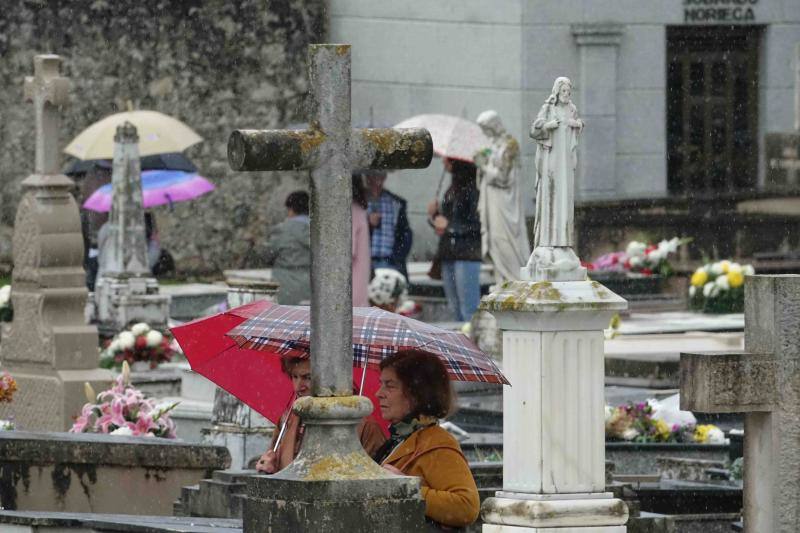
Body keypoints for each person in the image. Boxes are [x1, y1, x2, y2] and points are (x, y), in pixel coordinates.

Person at [374, 349, 480, 530]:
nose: (379, 393)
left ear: (417, 394)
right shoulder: (397, 440)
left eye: (390, 385)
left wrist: (406, 488)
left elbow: (466, 506)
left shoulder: (437, 443)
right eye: (381, 384)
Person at [255, 356, 387, 474]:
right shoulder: (287, 421)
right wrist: (270, 469)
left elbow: (373, 482)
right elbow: (281, 472)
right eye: (294, 377)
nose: (298, 387)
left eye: (308, 378)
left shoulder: (364, 426)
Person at [474, 110, 531, 286]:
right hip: (492, 200)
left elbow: (503, 178)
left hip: (505, 203)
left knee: (503, 239)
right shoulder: (492, 146)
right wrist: (481, 164)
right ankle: (502, 279)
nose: (485, 133)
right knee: (494, 240)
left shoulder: (509, 145)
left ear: (495, 126)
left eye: (487, 129)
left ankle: (513, 279)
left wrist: (483, 167)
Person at [427, 159, 482, 322]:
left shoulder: (473, 189)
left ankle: (471, 344)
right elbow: (447, 222)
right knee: (454, 308)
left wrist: (449, 225)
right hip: (448, 253)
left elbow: (477, 224)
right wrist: (435, 215)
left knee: (468, 308)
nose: (443, 162)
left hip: (466, 254)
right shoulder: (452, 188)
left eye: (448, 159)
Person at [263, 191, 312, 305]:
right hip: (314, 287)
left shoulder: (282, 229)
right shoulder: (319, 229)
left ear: (291, 209)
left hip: (286, 288)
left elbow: (268, 255)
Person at [363, 169, 413, 280]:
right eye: (373, 175)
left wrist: (398, 257)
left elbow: (405, 233)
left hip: (389, 261)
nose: (377, 179)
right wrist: (368, 223)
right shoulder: (358, 201)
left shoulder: (395, 202)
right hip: (365, 260)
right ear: (367, 177)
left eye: (380, 175)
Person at [352, 173, 371, 307]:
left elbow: (348, 249)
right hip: (361, 275)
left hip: (351, 279)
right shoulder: (359, 209)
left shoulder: (349, 210)